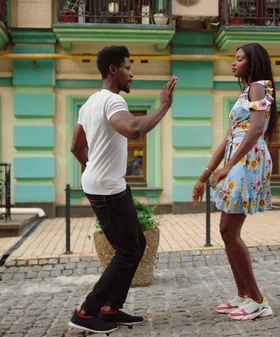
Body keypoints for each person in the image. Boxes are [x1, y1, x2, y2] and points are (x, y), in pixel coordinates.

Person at [70, 45, 178, 334]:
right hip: (108, 187)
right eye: (128, 68)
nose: (132, 73)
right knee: (128, 251)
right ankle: (86, 311)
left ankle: (110, 308)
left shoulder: (89, 103)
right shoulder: (112, 102)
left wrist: (89, 167)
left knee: (135, 245)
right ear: (113, 70)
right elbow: (133, 129)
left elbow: (76, 146)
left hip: (104, 184)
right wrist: (164, 106)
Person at [192, 43, 277, 321]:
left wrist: (227, 167)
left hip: (247, 161)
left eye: (240, 59)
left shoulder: (258, 86)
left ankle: (258, 300)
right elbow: (227, 138)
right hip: (237, 160)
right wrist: (204, 176)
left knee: (230, 230)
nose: (234, 62)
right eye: (234, 58)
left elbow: (254, 131)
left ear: (252, 62)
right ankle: (243, 295)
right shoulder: (245, 92)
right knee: (226, 231)